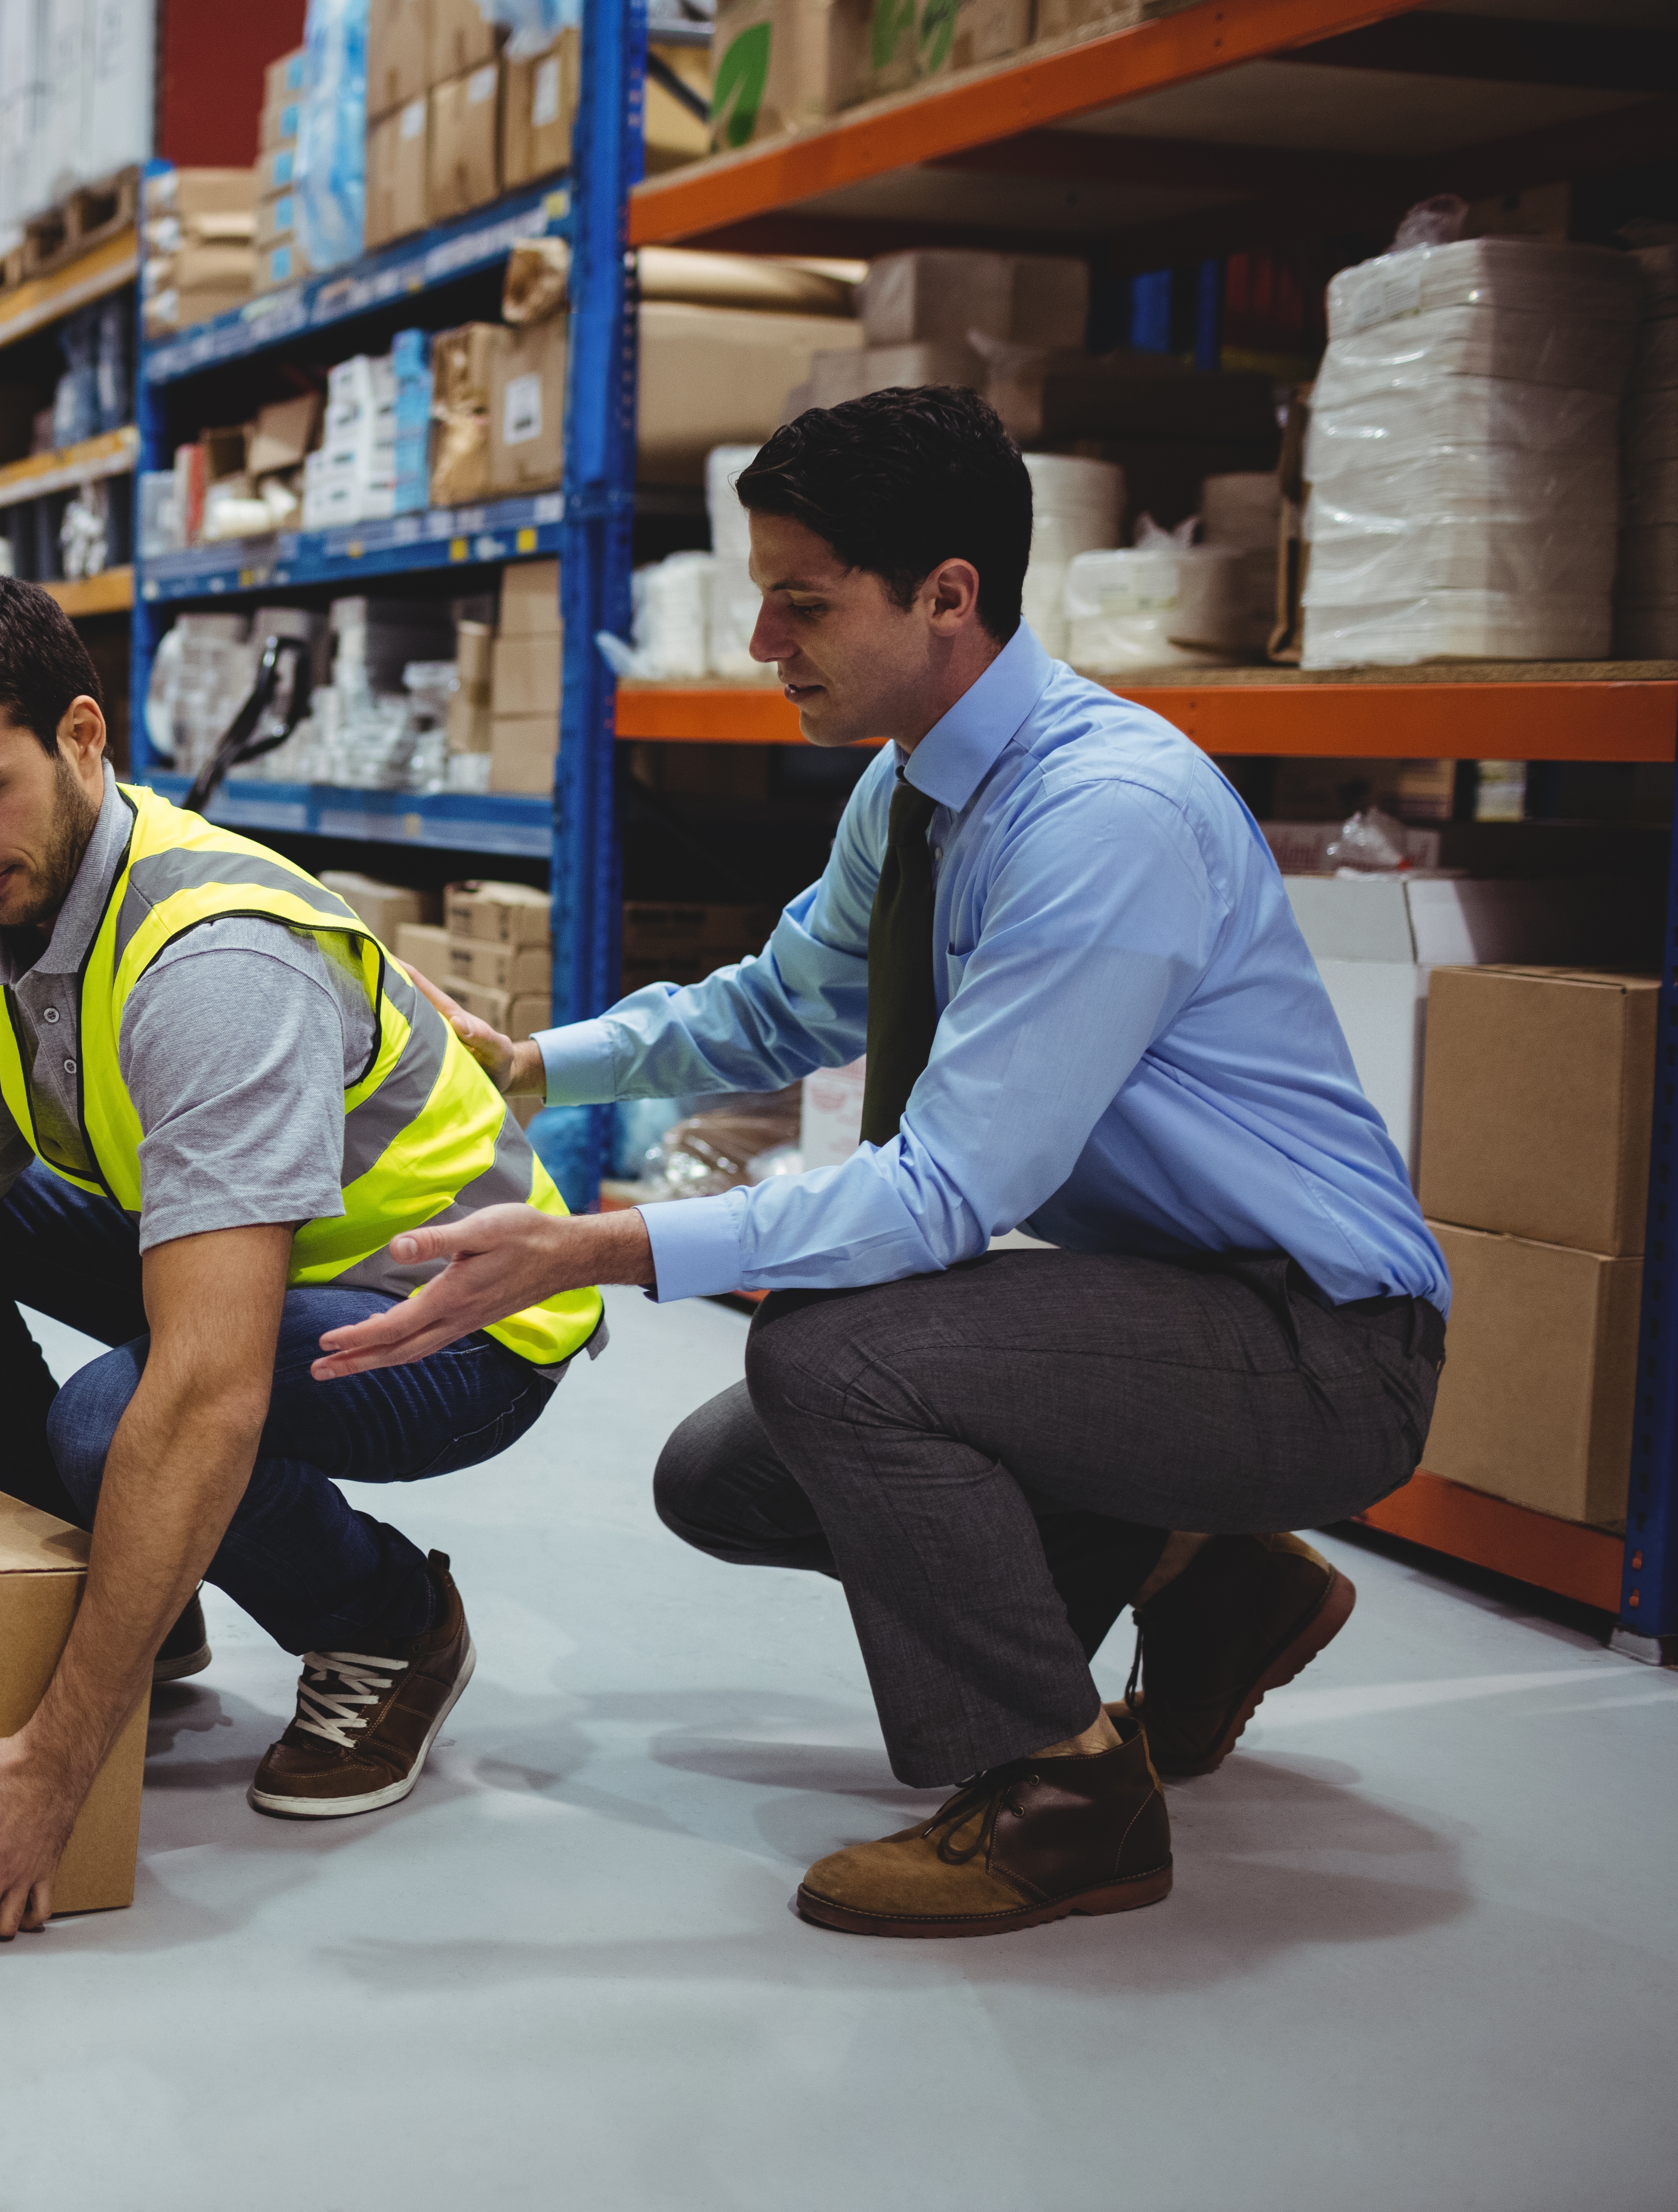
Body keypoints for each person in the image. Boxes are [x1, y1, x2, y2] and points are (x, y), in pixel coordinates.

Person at [320, 386, 1449, 1939]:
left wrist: (605, 1244)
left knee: (837, 1357)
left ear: (948, 596)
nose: (766, 643)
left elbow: (941, 1191)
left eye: (803, 603)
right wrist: (535, 1062)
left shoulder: (1100, 817)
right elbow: (785, 1004)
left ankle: (1061, 1792)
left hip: (1324, 1345)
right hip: (1185, 1303)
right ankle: (1213, 1576)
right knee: (722, 1474)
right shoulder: (916, 786)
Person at [0, 561, 615, 1944]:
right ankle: (125, 1595)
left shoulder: (214, 962)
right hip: (260, 1264)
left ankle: (389, 1622)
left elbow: (208, 1391)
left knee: (121, 1418)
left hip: (450, 1312)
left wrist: (60, 1761)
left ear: (82, 737)